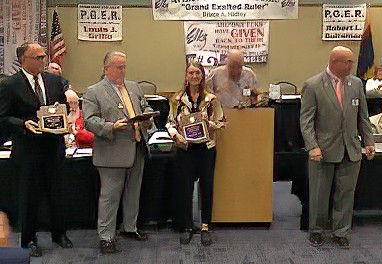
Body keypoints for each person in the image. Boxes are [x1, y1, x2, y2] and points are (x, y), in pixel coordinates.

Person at [0, 43, 73, 257]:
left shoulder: (54, 80)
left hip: (54, 147)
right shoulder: (10, 85)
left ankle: (59, 233)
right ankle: (29, 239)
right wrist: (22, 124)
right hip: (28, 149)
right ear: (24, 60)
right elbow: (3, 117)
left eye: (43, 56)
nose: (43, 60)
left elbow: (63, 107)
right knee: (29, 197)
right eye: (38, 57)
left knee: (57, 193)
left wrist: (64, 117)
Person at [300, 46, 375, 249]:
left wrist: (368, 142)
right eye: (348, 62)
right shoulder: (313, 85)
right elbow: (306, 121)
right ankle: (316, 229)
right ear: (334, 62)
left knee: (346, 193)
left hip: (350, 148)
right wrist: (312, 146)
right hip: (322, 151)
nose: (352, 65)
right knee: (319, 193)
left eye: (352, 61)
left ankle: (341, 231)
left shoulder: (356, 84)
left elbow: (363, 117)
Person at [83, 51, 152, 254]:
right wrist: (112, 127)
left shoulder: (133, 86)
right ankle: (106, 237)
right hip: (111, 151)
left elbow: (145, 106)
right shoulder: (93, 92)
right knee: (110, 197)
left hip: (136, 147)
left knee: (133, 192)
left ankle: (130, 227)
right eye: (118, 67)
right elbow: (90, 121)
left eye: (124, 66)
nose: (122, 70)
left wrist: (148, 117)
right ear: (106, 69)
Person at [166, 61, 225, 246]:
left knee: (206, 188)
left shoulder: (211, 99)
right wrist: (176, 136)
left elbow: (222, 122)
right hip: (185, 149)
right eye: (190, 73)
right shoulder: (177, 100)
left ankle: (205, 226)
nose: (194, 77)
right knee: (185, 189)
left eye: (197, 73)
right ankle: (188, 226)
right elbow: (169, 123)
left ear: (202, 76)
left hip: (206, 149)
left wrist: (209, 124)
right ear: (186, 75)